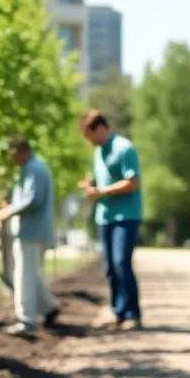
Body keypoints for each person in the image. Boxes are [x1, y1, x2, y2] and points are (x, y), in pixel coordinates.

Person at [78, 110, 143, 330]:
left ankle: (132, 313)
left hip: (126, 215)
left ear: (99, 128)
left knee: (121, 263)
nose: (89, 142)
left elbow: (133, 182)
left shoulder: (124, 148)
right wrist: (91, 186)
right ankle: (117, 312)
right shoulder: (99, 152)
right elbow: (101, 179)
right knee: (109, 267)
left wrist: (102, 192)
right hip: (104, 217)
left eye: (89, 136)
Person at [0, 135, 59, 337]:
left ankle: (26, 319)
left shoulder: (34, 169)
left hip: (32, 232)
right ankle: (49, 307)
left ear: (20, 151)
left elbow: (32, 201)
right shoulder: (32, 168)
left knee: (24, 276)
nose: (12, 159)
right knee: (32, 274)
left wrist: (8, 211)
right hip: (32, 231)